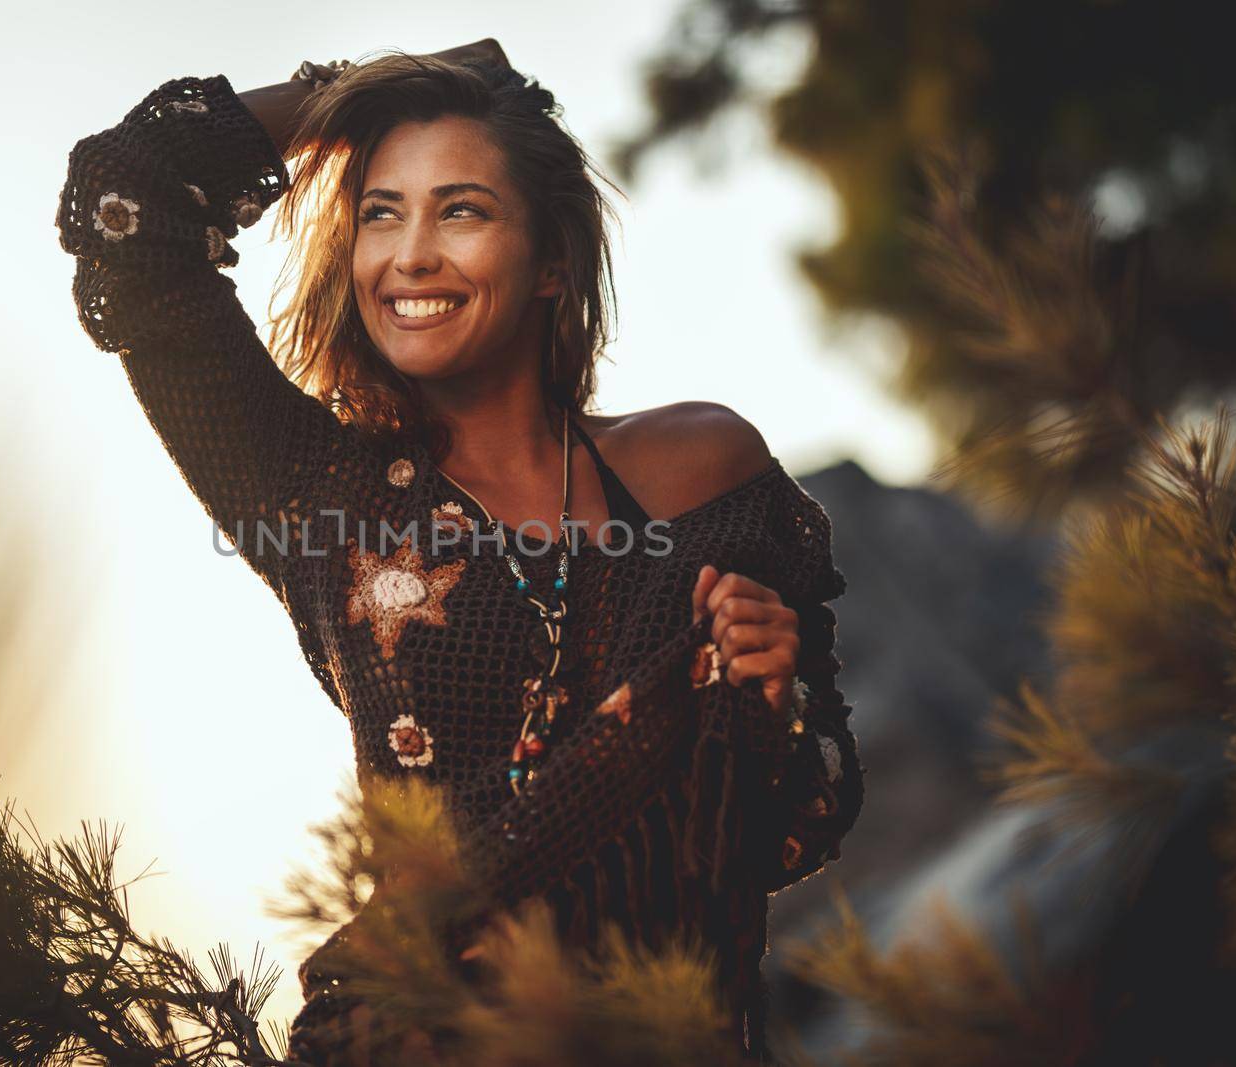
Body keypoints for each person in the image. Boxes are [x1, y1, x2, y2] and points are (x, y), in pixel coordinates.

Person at [56, 39, 864, 1064]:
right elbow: (127, 198)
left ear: (552, 262)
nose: (410, 254)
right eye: (380, 212)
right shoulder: (313, 493)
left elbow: (792, 817)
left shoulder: (700, 468)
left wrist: (766, 688)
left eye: (462, 209)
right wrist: (353, 92)